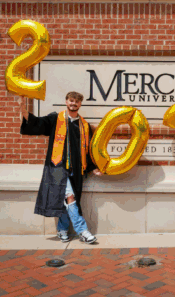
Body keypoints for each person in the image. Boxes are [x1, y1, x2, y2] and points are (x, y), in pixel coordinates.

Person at [18, 91, 101, 244]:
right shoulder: (55, 119)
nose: (73, 103)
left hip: (76, 169)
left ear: (80, 104)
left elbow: (87, 150)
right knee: (70, 196)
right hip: (57, 167)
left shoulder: (84, 125)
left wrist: (92, 167)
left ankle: (62, 230)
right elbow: (36, 123)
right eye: (71, 100)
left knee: (68, 200)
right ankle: (82, 230)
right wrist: (23, 108)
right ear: (66, 101)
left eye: (76, 101)